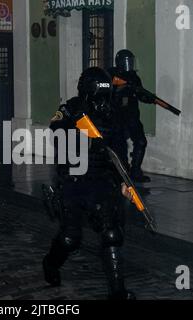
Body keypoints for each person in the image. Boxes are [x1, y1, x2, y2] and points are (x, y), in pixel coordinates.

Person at [42, 67, 136, 300]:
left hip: (102, 182)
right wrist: (78, 130)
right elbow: (55, 130)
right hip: (73, 181)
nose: (102, 99)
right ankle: (50, 264)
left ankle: (117, 293)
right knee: (70, 238)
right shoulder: (70, 109)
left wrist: (125, 180)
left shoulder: (112, 114)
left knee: (112, 234)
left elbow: (120, 152)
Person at [108, 49, 155, 183]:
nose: (129, 64)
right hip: (118, 118)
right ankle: (122, 172)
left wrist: (149, 98)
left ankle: (136, 171)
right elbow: (111, 93)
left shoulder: (134, 77)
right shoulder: (112, 75)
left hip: (132, 117)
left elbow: (140, 95)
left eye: (131, 61)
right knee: (119, 146)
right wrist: (123, 88)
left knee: (141, 141)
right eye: (126, 61)